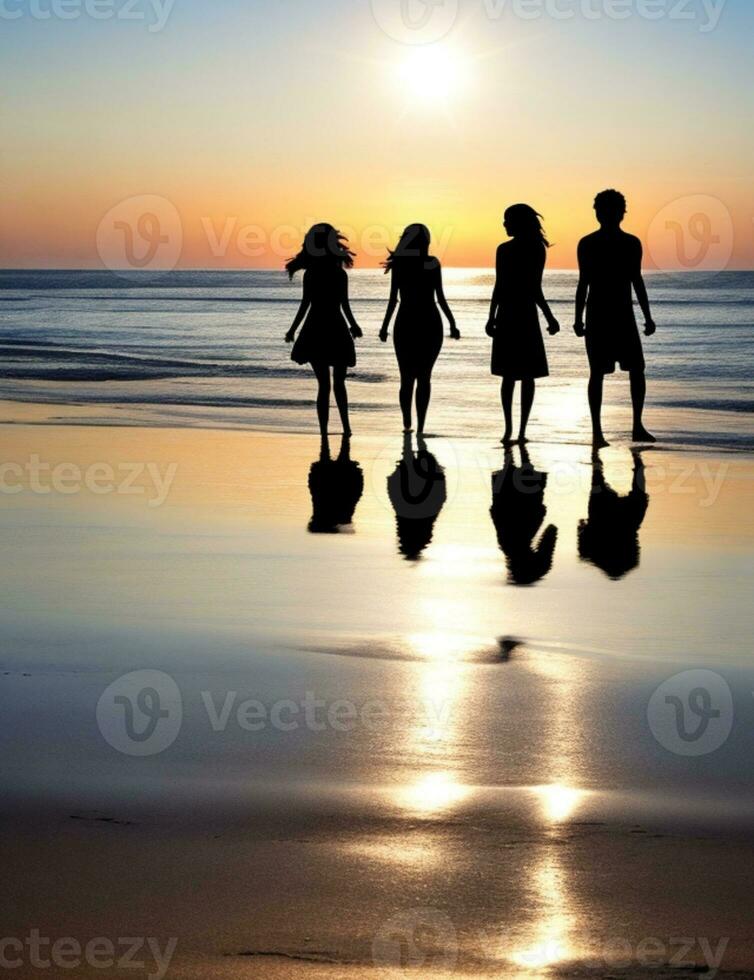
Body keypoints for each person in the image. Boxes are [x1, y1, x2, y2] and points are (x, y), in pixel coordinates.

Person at [574, 189, 657, 447]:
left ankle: (635, 426)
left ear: (620, 213)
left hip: (619, 315)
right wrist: (578, 318)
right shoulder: (589, 243)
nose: (606, 214)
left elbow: (636, 280)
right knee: (599, 372)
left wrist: (647, 315)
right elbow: (584, 282)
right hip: (602, 314)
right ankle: (599, 431)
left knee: (634, 369)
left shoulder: (630, 243)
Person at [486, 205, 560, 446]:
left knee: (512, 376)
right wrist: (549, 317)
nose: (504, 225)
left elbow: (510, 286)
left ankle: (513, 429)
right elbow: (530, 287)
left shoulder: (512, 250)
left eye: (507, 220)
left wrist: (492, 316)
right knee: (524, 376)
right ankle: (517, 430)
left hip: (512, 313)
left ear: (518, 222)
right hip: (523, 314)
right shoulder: (528, 249)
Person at [379, 224, 460, 434]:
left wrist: (385, 326)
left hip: (406, 322)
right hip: (429, 322)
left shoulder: (400, 264)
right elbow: (440, 298)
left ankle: (408, 421)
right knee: (424, 378)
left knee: (407, 379)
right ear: (425, 242)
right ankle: (420, 425)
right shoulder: (432, 264)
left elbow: (393, 300)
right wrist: (452, 323)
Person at [285, 224, 362, 437]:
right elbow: (344, 305)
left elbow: (305, 304)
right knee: (339, 383)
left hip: (315, 329)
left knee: (324, 386)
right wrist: (353, 325)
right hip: (336, 328)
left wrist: (293, 330)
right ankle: (346, 428)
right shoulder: (339, 274)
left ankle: (324, 432)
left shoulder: (311, 274)